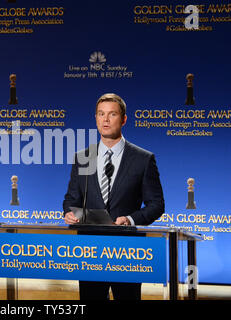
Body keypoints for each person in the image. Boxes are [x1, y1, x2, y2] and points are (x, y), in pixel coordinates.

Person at [63, 93, 165, 300]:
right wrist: (68, 212)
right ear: (96, 118)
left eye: (112, 114)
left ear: (124, 119)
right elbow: (71, 199)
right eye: (101, 114)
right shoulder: (83, 158)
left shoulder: (143, 159)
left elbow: (156, 204)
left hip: (127, 252)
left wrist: (131, 219)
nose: (106, 120)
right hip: (90, 251)